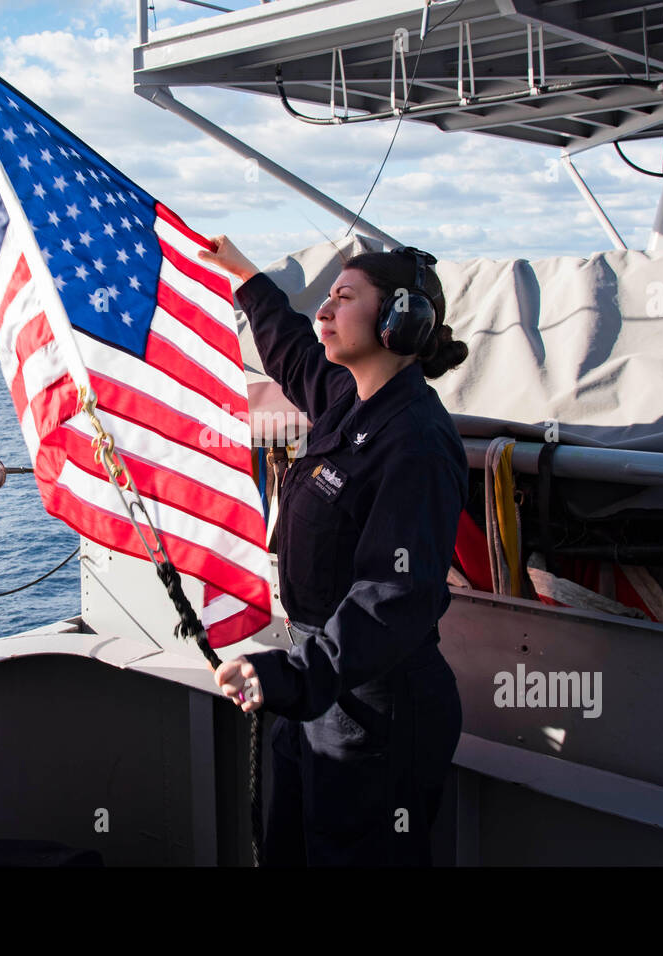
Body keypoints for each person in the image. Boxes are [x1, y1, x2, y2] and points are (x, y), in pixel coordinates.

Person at [198, 235, 471, 866]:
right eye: (325, 296)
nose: (324, 309)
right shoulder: (350, 397)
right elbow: (293, 354)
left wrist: (292, 677)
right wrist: (244, 275)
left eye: (343, 298)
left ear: (399, 320)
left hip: (376, 713)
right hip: (320, 690)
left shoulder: (417, 444)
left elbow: (393, 599)